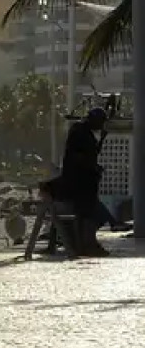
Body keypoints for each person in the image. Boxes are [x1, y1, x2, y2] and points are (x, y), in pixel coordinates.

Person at [45, 105, 117, 254]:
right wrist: (92, 166)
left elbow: (91, 155)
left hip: (82, 182)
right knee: (91, 211)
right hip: (76, 183)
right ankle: (88, 241)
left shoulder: (87, 133)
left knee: (93, 209)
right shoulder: (79, 131)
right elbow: (78, 156)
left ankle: (91, 238)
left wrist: (101, 141)